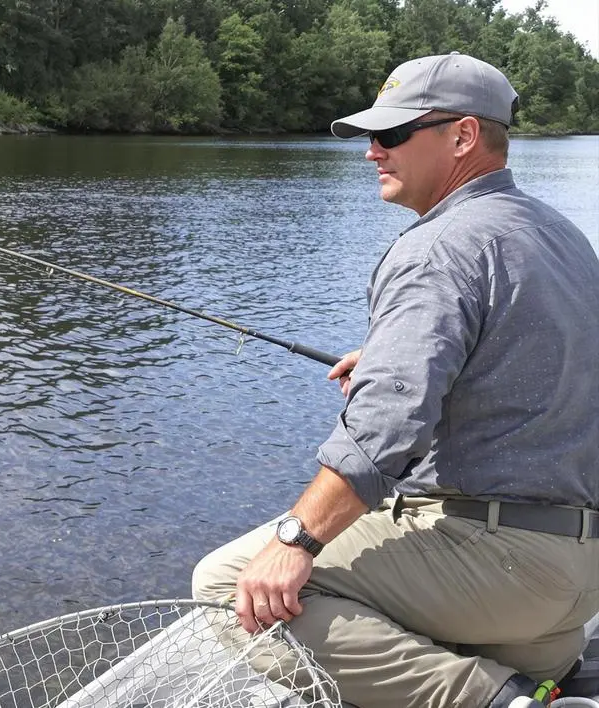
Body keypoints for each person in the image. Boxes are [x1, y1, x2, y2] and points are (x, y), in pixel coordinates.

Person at [190, 52, 599, 708]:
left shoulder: (437, 248)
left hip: (502, 571)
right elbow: (549, 364)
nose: (371, 154)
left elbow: (386, 422)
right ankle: (528, 677)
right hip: (570, 590)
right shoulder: (558, 235)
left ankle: (498, 702)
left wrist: (297, 540)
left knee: (225, 584)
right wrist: (403, 358)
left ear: (463, 136)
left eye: (391, 135)